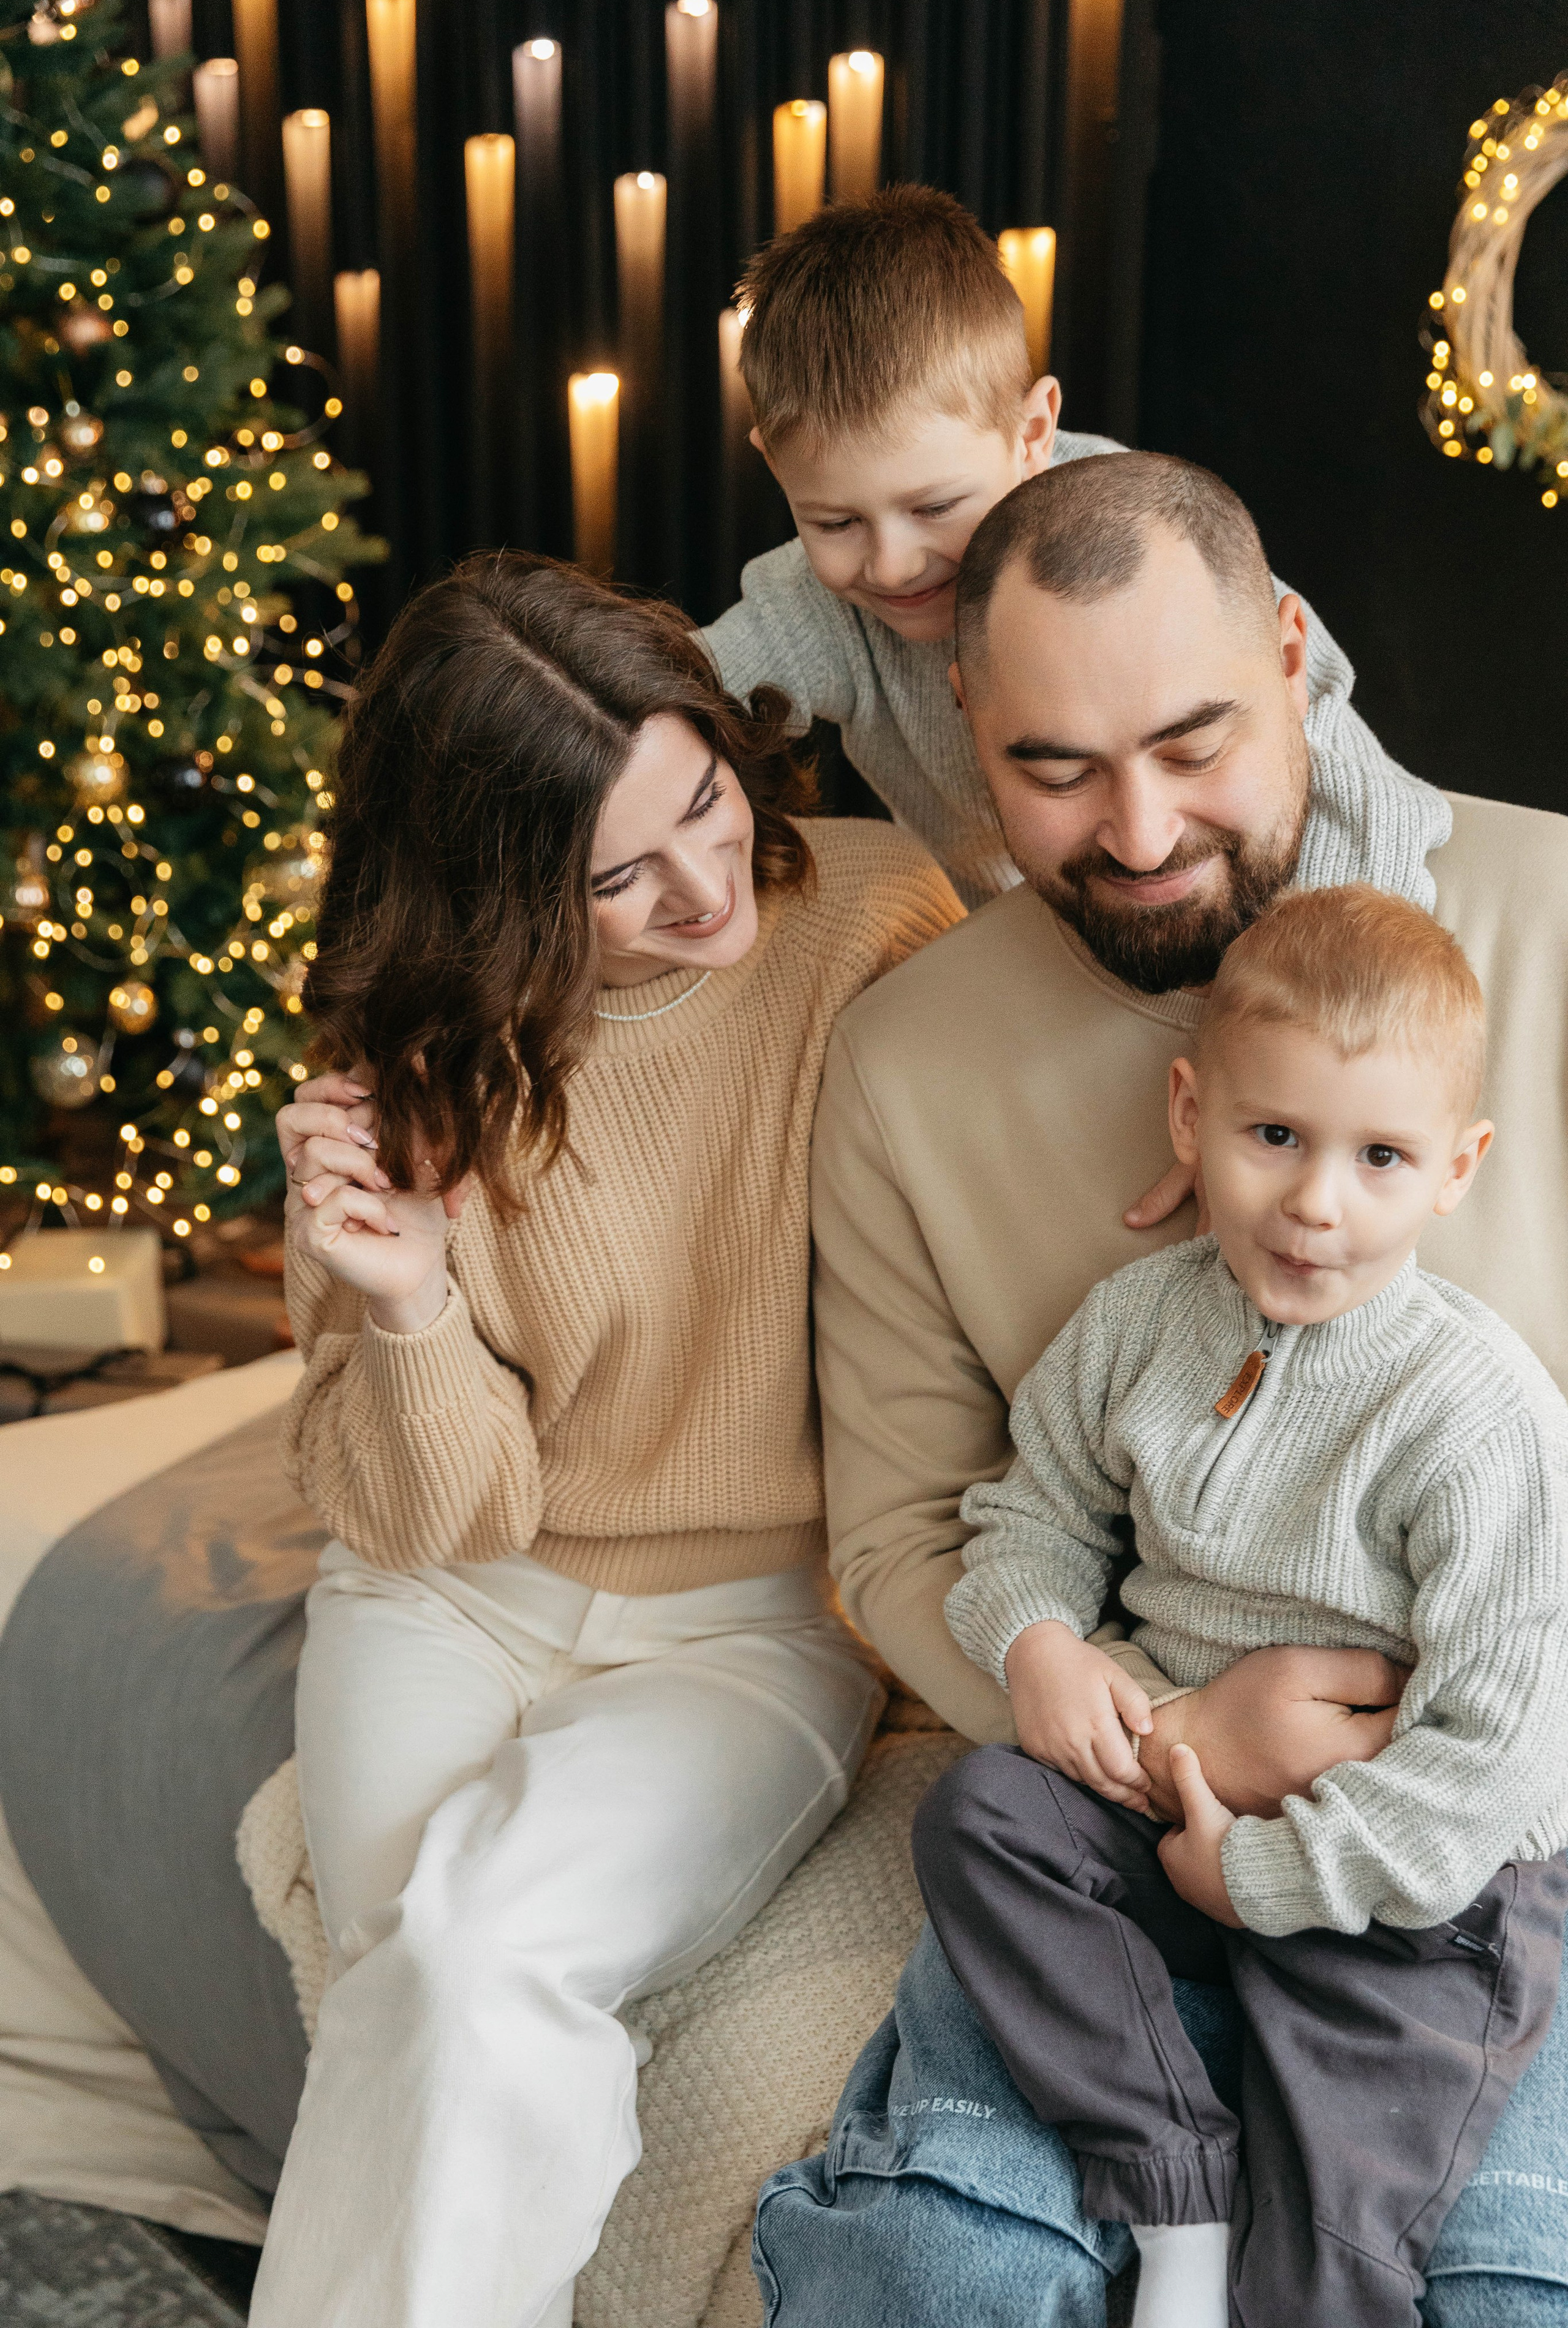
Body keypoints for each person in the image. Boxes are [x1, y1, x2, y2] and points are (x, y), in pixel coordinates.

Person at [786, 448, 1568, 2323]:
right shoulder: (905, 1062)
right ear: (965, 718)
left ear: (1293, 654)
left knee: (1482, 2287)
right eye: (1054, 766)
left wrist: (1403, 1767)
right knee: (934, 2276)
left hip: (1468, 1813)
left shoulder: (1547, 918)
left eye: (1192, 742)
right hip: (1118, 1793)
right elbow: (907, 1529)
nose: (1136, 830)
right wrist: (1181, 1734)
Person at [245, 554, 962, 2328]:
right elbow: (433, 1514)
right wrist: (408, 1301)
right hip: (443, 1597)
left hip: (744, 1624)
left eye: (706, 804)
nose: (706, 890)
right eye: (617, 878)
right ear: (490, 894)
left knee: (471, 1955)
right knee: (413, 1986)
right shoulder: (412, 1059)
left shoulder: (877, 917)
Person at [914, 883, 1568, 2328]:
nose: (1313, 1202)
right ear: (1187, 1114)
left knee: (1334, 2230)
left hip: (1408, 1883)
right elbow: (1026, 1519)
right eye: (1271, 1136)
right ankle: (1172, 2193)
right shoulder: (1135, 1324)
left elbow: (1494, 1754)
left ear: (1453, 1169)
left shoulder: (1478, 1413)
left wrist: (1266, 1880)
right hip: (1171, 1799)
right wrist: (1035, 1643)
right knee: (979, 1816)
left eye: (1377, 1156)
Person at [704, 184, 1358, 916]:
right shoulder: (822, 609)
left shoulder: (1145, 542)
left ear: (1032, 434)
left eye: (934, 508)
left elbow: (1334, 732)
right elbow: (665, 700)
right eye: (835, 523)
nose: (890, 564)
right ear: (775, 467)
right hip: (1011, 922)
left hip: (1232, 903)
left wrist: (1332, 941)